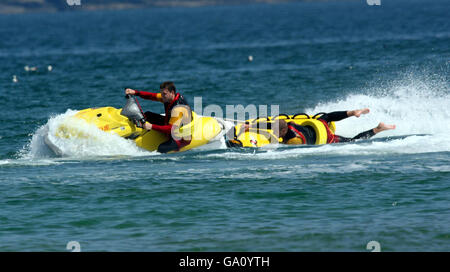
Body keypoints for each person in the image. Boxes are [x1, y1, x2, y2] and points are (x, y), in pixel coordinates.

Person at [242, 108, 396, 145]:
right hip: (317, 124)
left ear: (283, 130)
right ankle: (352, 112)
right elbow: (269, 124)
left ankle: (378, 129)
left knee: (352, 142)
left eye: (278, 132)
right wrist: (251, 126)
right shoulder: (286, 125)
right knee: (326, 116)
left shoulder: (293, 140)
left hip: (324, 136)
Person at [125, 81, 192, 153]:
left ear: (172, 93)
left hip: (181, 135)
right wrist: (135, 92)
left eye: (164, 94)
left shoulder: (178, 108)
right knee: (147, 115)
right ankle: (135, 133)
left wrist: (151, 126)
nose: (162, 96)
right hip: (172, 124)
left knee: (161, 148)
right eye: (161, 93)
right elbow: (151, 96)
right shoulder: (168, 97)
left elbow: (171, 129)